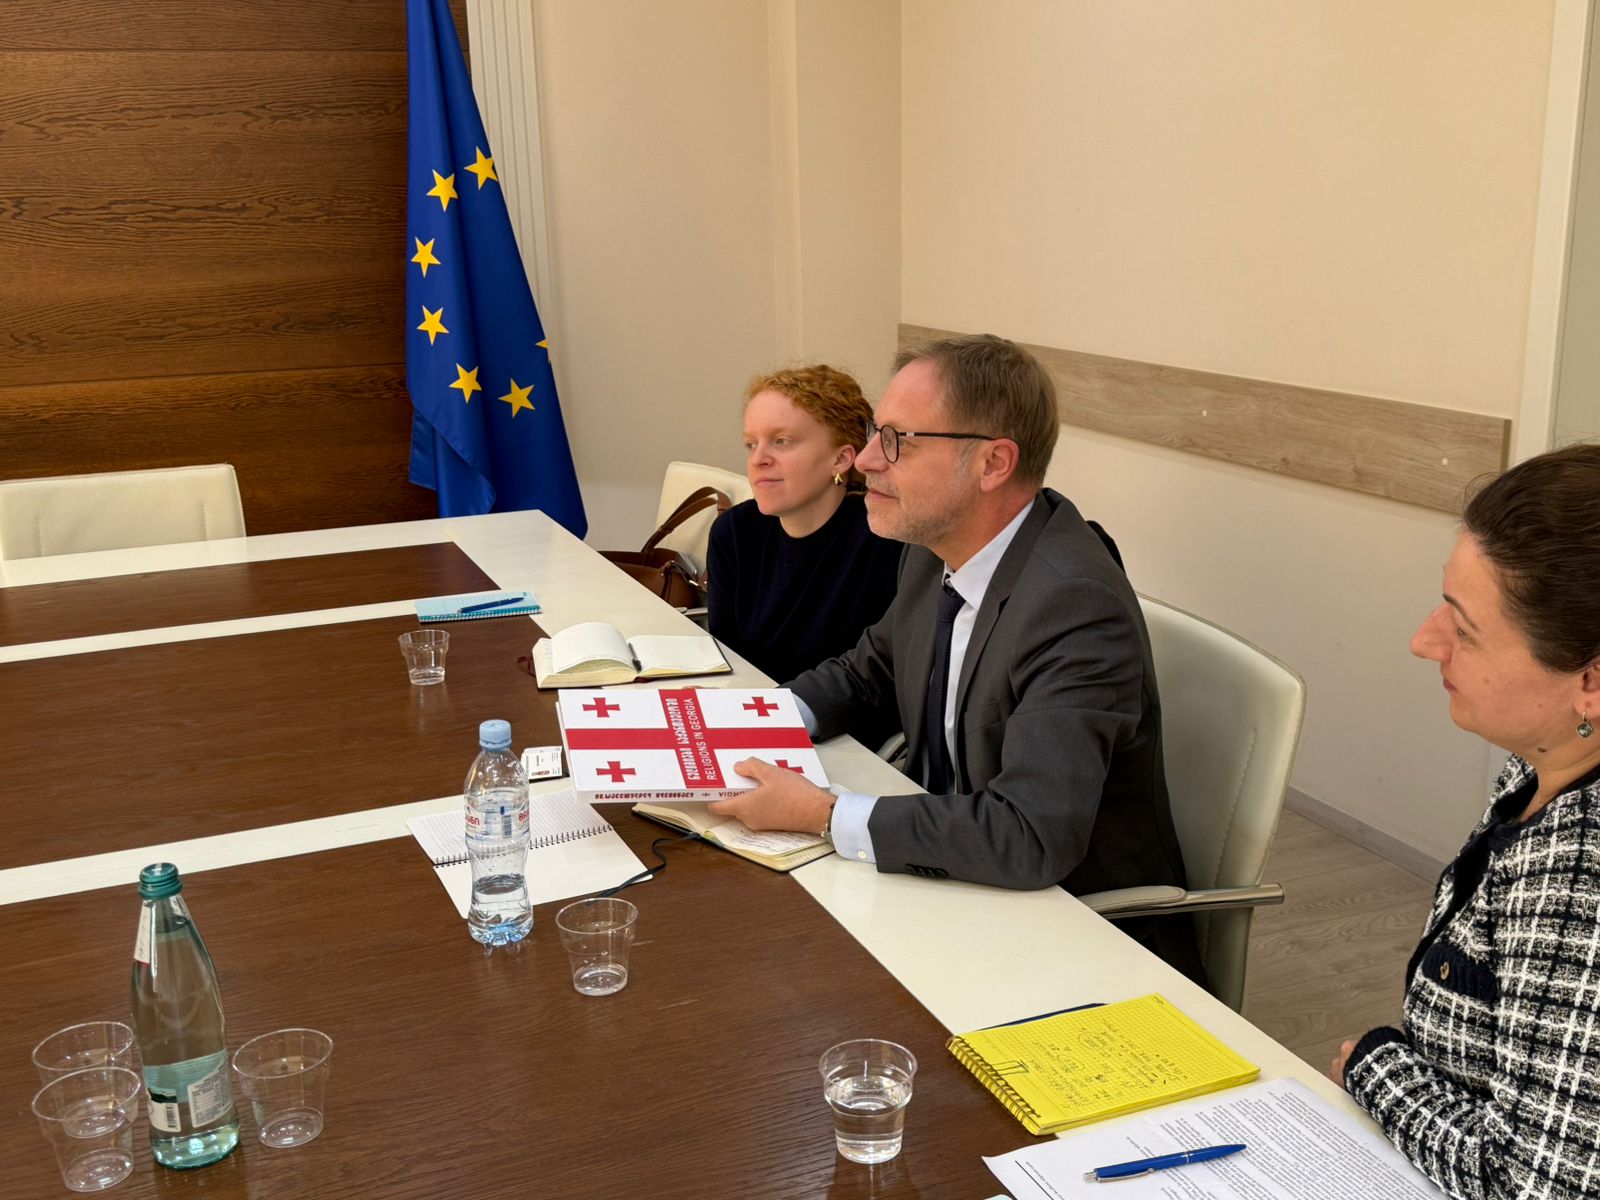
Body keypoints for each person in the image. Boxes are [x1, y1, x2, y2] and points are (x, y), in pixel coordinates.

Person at [708, 334, 1201, 978]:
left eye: (898, 441)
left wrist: (823, 814)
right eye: (875, 433)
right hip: (954, 880)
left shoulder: (1073, 604)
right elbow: (867, 672)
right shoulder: (932, 548)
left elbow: (1029, 833)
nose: (866, 461)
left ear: (993, 463)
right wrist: (741, 723)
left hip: (1073, 939)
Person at [1331, 444, 1600, 1199]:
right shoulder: (1541, 767)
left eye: (1466, 628)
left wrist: (1378, 1068)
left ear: (1591, 682)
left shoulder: (1583, 876)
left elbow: (1539, 1187)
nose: (1425, 641)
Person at [707, 365, 902, 686]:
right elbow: (729, 661)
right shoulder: (735, 532)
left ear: (841, 459)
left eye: (781, 441)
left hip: (839, 716)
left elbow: (881, 677)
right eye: (751, 443)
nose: (758, 459)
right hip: (756, 706)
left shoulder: (885, 540)